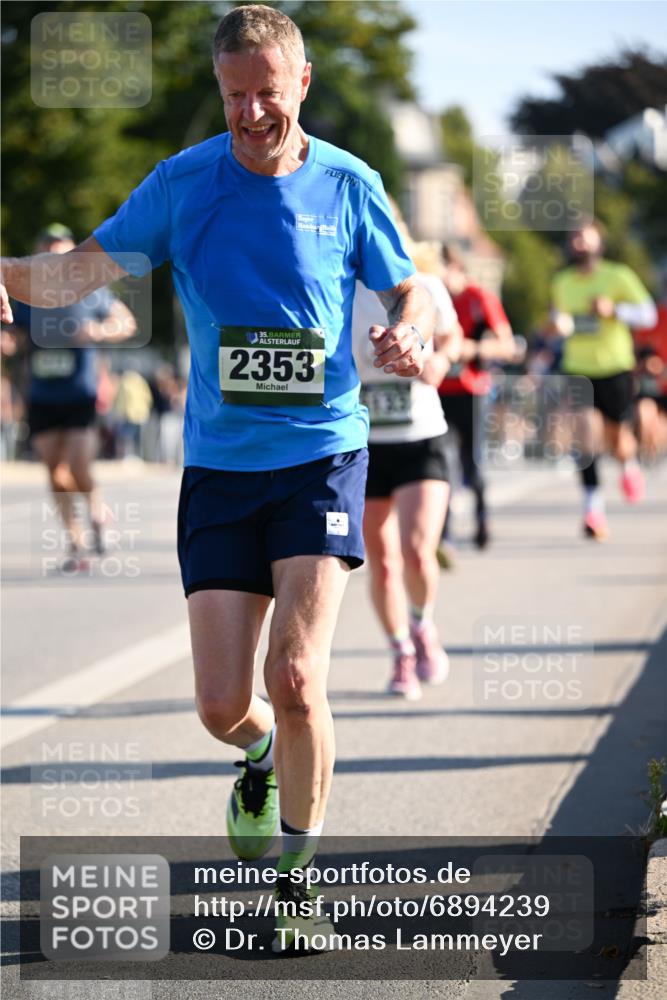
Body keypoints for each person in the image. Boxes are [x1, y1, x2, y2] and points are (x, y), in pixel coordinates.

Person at [0, 5, 432, 951]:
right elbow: (83, 271)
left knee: (297, 676)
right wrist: (8, 277)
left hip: (321, 454)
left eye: (265, 95)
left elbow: (410, 283)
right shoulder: (184, 183)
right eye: (233, 97)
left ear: (302, 82)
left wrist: (414, 325)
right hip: (222, 470)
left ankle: (295, 884)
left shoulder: (347, 185)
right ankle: (262, 756)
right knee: (220, 706)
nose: (248, 115)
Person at [353, 237, 461, 700]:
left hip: (421, 436)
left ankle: (422, 625)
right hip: (365, 441)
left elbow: (452, 334)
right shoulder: (336, 291)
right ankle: (400, 653)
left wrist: (442, 359)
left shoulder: (425, 287)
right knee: (382, 562)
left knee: (418, 551)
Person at [5, 224, 136, 569]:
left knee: (79, 465)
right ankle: (76, 543)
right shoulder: (29, 297)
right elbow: (14, 335)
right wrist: (9, 343)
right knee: (54, 471)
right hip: (43, 395)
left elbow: (127, 323)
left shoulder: (92, 293)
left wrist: (99, 330)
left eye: (62, 256)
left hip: (81, 394)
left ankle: (97, 513)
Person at [548, 219, 657, 541]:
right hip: (577, 368)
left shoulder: (618, 276)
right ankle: (592, 509)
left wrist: (615, 311)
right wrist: (558, 324)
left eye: (585, 236)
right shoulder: (562, 281)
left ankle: (629, 465)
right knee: (584, 436)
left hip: (615, 367)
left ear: (599, 242)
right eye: (575, 237)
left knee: (618, 439)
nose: (579, 242)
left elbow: (648, 314)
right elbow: (556, 317)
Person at [438, 244, 513, 556]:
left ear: (456, 269)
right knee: (443, 464)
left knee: (473, 464)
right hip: (438, 393)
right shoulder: (427, 297)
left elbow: (507, 346)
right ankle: (444, 535)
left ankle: (482, 517)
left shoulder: (479, 299)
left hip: (472, 392)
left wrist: (470, 350)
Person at [634, 277, 667, 461]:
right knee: (644, 413)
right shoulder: (654, 317)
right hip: (653, 386)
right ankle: (647, 454)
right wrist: (647, 364)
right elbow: (638, 351)